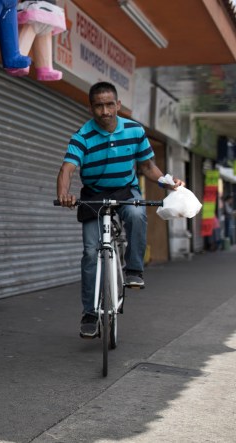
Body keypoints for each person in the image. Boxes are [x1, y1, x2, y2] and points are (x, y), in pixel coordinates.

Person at [56, 81, 184, 338]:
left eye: (109, 105)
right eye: (98, 106)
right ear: (91, 108)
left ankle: (134, 270)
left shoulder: (135, 131)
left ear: (118, 105)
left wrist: (169, 184)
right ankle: (90, 313)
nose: (104, 111)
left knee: (137, 213)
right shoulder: (82, 137)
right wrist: (63, 193)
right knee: (91, 253)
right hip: (94, 195)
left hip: (126, 190)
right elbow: (67, 169)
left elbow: (148, 167)